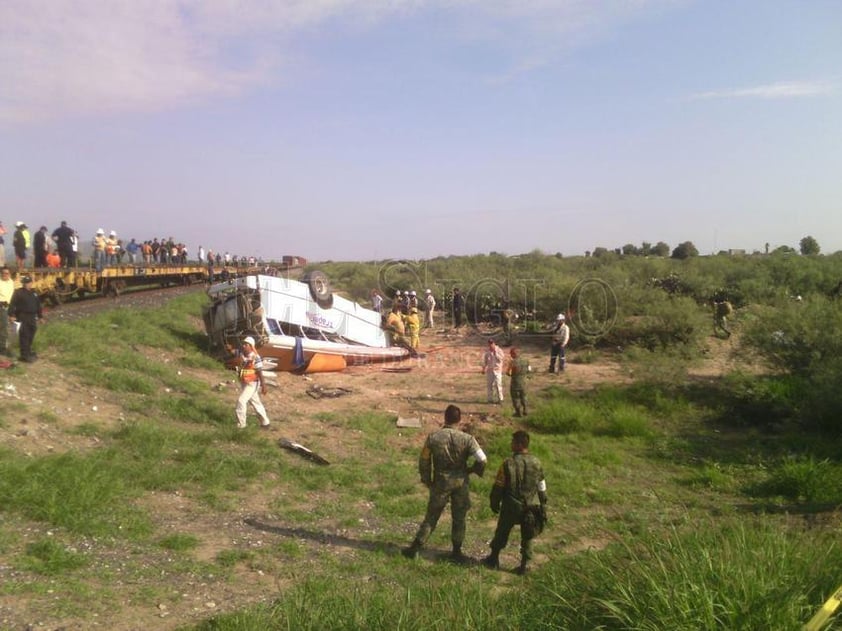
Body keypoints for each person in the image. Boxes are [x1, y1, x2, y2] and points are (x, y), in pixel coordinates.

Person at [402, 404, 487, 563]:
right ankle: (456, 551)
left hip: (441, 482)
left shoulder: (433, 438)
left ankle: (415, 547)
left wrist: (427, 480)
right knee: (459, 517)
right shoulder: (467, 439)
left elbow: (424, 461)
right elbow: (482, 459)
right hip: (460, 483)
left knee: (432, 516)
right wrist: (472, 470)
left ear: (445, 418)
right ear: (459, 419)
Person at [482, 430, 548, 575]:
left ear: (518, 445)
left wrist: (494, 502)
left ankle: (493, 559)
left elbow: (499, 485)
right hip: (530, 506)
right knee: (528, 533)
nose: (510, 444)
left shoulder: (508, 463)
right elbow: (541, 485)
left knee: (502, 530)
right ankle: (524, 565)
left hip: (510, 505)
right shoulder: (537, 463)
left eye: (512, 442)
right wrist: (543, 503)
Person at [235, 336, 271, 429]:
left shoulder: (255, 357)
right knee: (255, 402)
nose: (244, 346)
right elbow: (233, 352)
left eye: (246, 344)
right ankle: (265, 422)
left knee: (241, 401)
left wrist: (263, 385)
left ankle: (241, 425)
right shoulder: (241, 354)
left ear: (251, 346)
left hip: (252, 383)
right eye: (243, 344)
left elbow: (259, 371)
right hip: (244, 381)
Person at [9, 275, 43, 362]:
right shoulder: (18, 292)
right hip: (22, 316)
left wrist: (40, 316)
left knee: (31, 333)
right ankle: (24, 355)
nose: (27, 284)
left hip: (32, 317)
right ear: (23, 283)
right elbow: (12, 304)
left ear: (31, 283)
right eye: (25, 283)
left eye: (28, 282)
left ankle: (28, 351)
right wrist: (12, 315)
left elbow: (38, 305)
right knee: (24, 335)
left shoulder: (34, 293)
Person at [507, 347, 530, 417]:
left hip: (515, 383)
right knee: (524, 396)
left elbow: (508, 373)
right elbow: (529, 370)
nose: (510, 355)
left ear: (514, 354)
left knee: (515, 397)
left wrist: (510, 374)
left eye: (511, 354)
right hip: (524, 382)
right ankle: (525, 410)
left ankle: (518, 412)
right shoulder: (526, 361)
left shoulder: (512, 362)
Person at [482, 337, 505, 404]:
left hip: (497, 370)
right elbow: (485, 361)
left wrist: (495, 354)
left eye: (491, 343)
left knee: (498, 385)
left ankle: (500, 399)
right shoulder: (487, 352)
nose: (490, 345)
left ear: (494, 343)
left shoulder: (499, 350)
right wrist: (484, 369)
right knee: (490, 386)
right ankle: (490, 399)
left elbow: (501, 359)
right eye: (489, 343)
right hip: (490, 371)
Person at [0, 266, 15, 356]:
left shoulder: (11, 282)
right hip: (1, 306)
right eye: (3, 273)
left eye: (7, 273)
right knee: (3, 328)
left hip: (8, 307)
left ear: (9, 274)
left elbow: (11, 295)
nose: (5, 274)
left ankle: (3, 348)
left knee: (5, 328)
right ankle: (2, 349)